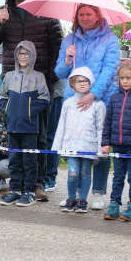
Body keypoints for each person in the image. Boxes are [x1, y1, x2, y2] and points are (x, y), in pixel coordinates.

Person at [0, 0, 63, 201]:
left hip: (37, 85)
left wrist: (47, 77)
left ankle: (36, 183)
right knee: (15, 134)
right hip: (13, 84)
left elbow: (57, 46)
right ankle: (17, 183)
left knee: (37, 136)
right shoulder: (3, 13)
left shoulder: (45, 12)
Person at [54, 3, 120, 209]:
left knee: (99, 148)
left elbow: (110, 69)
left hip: (100, 101)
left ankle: (98, 192)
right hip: (73, 102)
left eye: (89, 13)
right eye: (81, 14)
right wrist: (67, 59)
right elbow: (59, 73)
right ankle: (74, 194)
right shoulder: (69, 39)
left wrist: (93, 94)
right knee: (75, 146)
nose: (84, 17)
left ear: (98, 15)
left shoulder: (110, 40)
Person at [0, 41, 49, 207]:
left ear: (32, 56)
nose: (23, 57)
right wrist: (9, 111)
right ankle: (15, 190)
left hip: (30, 127)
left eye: (26, 54)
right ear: (16, 56)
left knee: (30, 159)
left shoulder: (38, 77)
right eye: (20, 54)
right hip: (13, 126)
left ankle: (29, 191)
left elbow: (44, 99)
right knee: (14, 159)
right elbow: (2, 97)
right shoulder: (9, 76)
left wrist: (27, 111)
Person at [101, 59, 131, 222]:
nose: (125, 81)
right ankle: (114, 204)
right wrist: (106, 142)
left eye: (128, 78)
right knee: (117, 177)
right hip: (117, 145)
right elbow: (108, 122)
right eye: (122, 78)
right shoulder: (114, 99)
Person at [52, 66, 105, 213]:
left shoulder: (98, 105)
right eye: (79, 81)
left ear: (91, 83)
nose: (82, 84)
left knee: (85, 172)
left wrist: (100, 149)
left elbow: (101, 128)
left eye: (86, 81)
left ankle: (82, 200)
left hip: (89, 145)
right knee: (73, 172)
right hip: (71, 145)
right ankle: (71, 198)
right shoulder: (68, 103)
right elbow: (61, 125)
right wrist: (58, 146)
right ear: (72, 84)